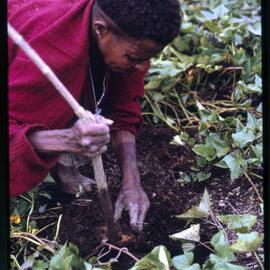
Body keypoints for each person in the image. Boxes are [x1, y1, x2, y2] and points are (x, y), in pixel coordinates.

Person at [9, 0, 181, 232]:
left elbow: (123, 103)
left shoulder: (119, 27)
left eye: (148, 58)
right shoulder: (47, 49)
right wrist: (66, 139)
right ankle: (60, 161)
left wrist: (132, 181)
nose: (142, 68)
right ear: (101, 29)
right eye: (133, 57)